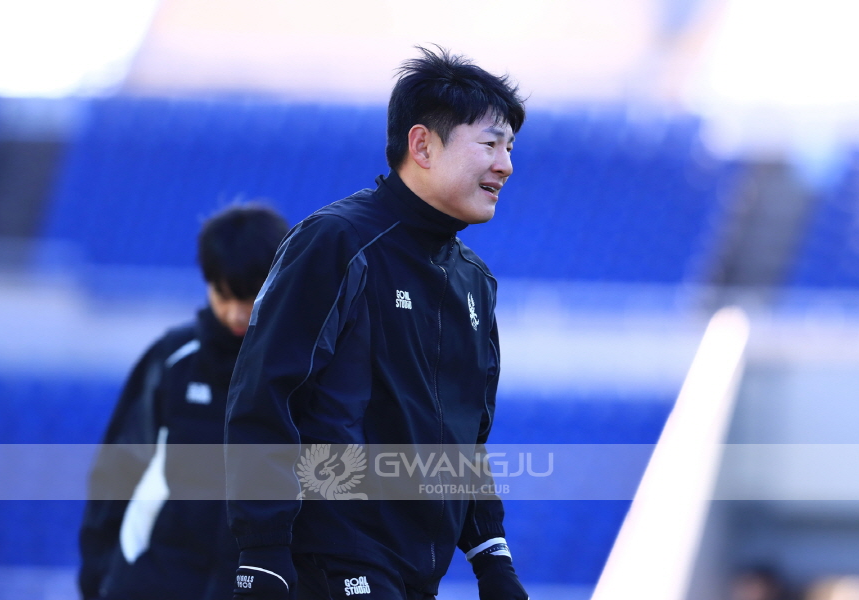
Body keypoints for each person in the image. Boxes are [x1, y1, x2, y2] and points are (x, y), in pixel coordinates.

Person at [225, 46, 528, 600]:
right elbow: (264, 394)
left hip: (417, 572)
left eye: (509, 147)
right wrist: (261, 550)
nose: (505, 165)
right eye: (490, 144)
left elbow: (467, 440)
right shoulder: (338, 242)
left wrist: (492, 559)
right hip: (331, 554)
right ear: (422, 145)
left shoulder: (474, 282)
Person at [78, 203, 290, 600]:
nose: (236, 313)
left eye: (250, 296)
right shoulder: (172, 359)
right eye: (223, 295)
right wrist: (100, 579)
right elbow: (117, 471)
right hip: (153, 584)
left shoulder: (308, 367)